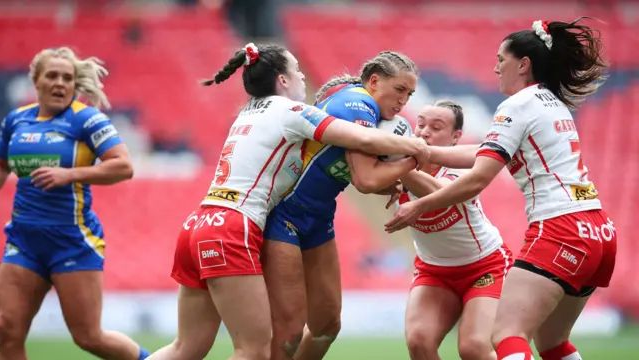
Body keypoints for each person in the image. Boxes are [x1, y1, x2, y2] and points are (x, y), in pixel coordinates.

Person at [148, 43, 430, 360]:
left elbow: (340, 165)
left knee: (187, 348)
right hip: (236, 226)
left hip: (200, 222)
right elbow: (362, 141)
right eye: (297, 70)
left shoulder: (248, 113)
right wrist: (418, 150)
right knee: (256, 350)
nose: (303, 77)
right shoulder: (292, 112)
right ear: (283, 80)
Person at [385, 18, 615, 360]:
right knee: (552, 344)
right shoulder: (550, 102)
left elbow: (479, 178)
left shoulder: (517, 106)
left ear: (523, 64)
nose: (495, 69)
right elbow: (483, 154)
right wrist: (425, 153)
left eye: (500, 60)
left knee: (504, 334)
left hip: (560, 228)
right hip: (598, 231)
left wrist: (417, 205)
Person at [263, 51, 419, 360]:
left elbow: (357, 173)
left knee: (326, 326)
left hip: (319, 217)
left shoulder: (370, 113)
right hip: (285, 214)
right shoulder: (357, 105)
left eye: (410, 94)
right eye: (399, 90)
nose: (404, 101)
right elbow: (364, 180)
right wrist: (416, 156)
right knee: (290, 330)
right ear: (374, 82)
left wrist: (393, 180)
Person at [0, 47, 147, 359]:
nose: (60, 83)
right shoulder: (16, 121)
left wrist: (69, 175)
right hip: (24, 240)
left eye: (67, 78)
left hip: (71, 240)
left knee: (89, 337)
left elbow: (123, 166)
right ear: (36, 81)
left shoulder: (86, 119)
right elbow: (2, 166)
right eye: (52, 76)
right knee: (5, 330)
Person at [396, 101, 512, 360]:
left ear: (455, 138)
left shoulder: (463, 167)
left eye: (436, 127)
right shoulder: (397, 167)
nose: (424, 132)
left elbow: (439, 193)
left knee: (473, 348)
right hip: (433, 270)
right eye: (421, 123)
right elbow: (364, 179)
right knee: (419, 342)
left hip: (484, 267)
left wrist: (394, 162)